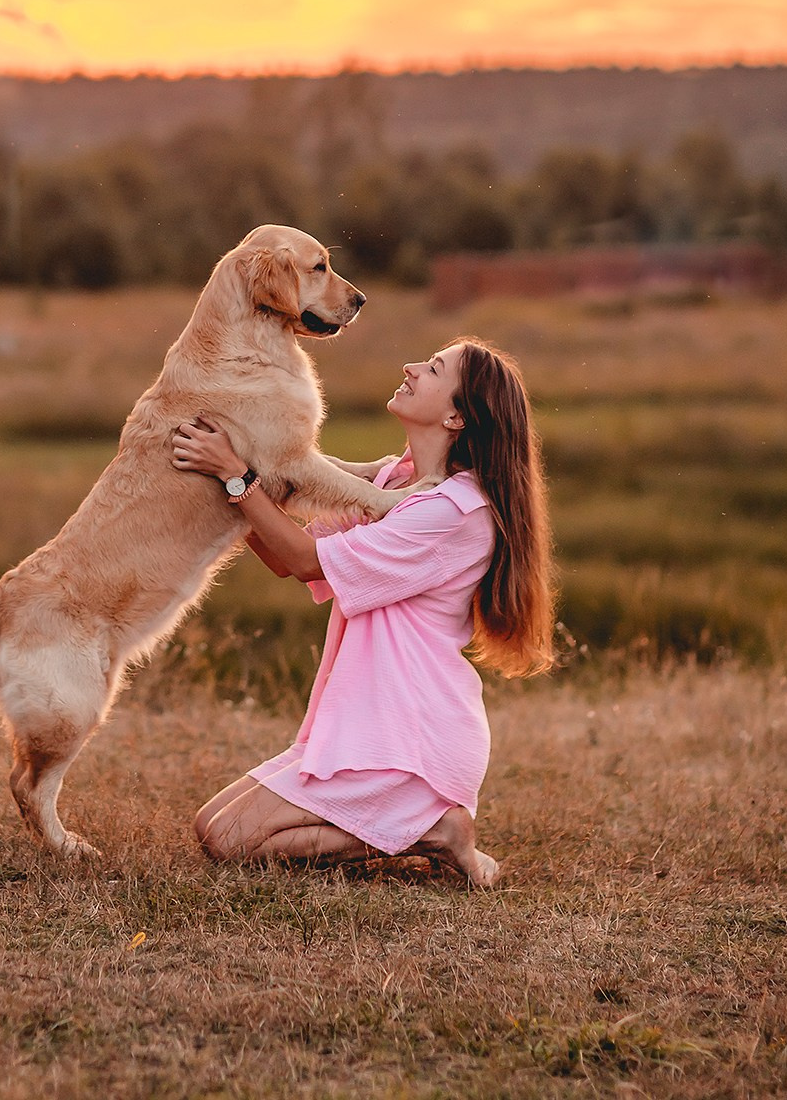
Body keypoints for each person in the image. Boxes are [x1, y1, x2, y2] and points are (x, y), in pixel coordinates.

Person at [170, 337, 555, 884]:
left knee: (231, 843)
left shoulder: (453, 513)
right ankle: (413, 828)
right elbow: (286, 556)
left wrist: (238, 478)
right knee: (212, 827)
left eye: (433, 368)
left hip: (408, 738)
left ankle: (434, 830)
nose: (411, 365)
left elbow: (305, 561)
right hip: (365, 725)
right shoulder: (396, 484)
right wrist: (233, 478)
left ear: (457, 416)